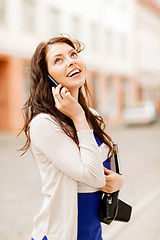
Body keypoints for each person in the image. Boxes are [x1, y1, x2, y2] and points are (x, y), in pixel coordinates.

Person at [18, 35, 124, 240]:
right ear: (46, 76)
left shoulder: (91, 116)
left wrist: (118, 181)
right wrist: (77, 117)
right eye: (58, 60)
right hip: (61, 234)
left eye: (73, 54)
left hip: (93, 233)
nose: (71, 61)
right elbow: (93, 176)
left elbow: (102, 170)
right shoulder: (43, 124)